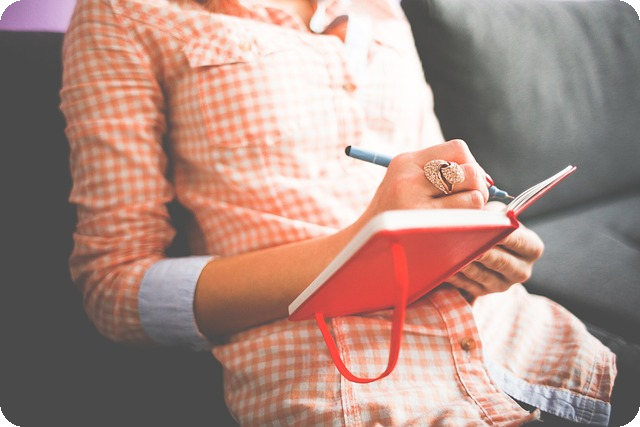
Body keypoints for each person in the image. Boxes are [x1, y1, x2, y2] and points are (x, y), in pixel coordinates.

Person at [60, 0, 617, 425]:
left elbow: (434, 176)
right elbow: (114, 289)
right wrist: (363, 245)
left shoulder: (380, 7)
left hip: (524, 343)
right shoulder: (124, 13)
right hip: (352, 382)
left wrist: (477, 237)